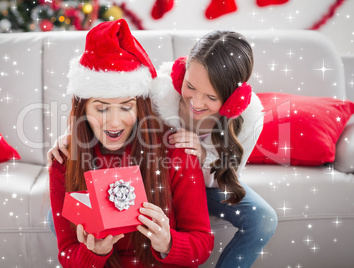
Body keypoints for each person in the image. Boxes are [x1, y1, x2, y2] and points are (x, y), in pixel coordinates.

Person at [48, 30, 277, 267]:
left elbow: (226, 179)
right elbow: (108, 101)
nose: (196, 103)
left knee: (263, 218)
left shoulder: (248, 121)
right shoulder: (161, 91)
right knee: (60, 214)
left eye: (211, 96)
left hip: (209, 180)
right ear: (181, 75)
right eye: (191, 87)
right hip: (165, 168)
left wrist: (201, 157)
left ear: (233, 100)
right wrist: (72, 138)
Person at [49, 19, 214, 268]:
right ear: (83, 109)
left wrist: (169, 242)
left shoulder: (177, 152)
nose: (115, 122)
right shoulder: (64, 160)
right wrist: (95, 253)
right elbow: (67, 254)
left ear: (140, 107)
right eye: (102, 109)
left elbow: (201, 244)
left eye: (126, 107)